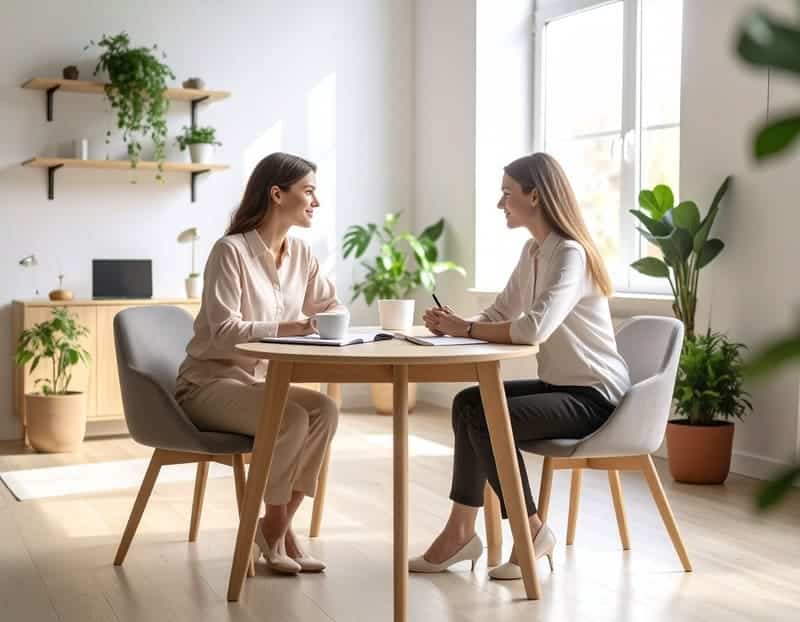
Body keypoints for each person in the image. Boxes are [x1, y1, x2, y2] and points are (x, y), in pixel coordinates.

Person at [409, 152, 631, 580]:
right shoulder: (534, 251)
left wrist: (467, 328)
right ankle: (460, 532)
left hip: (595, 397)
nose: (500, 204)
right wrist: (454, 325)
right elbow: (497, 315)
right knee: (467, 404)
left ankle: (530, 531)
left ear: (535, 195)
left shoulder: (570, 254)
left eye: (506, 194)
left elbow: (533, 330)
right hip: (561, 387)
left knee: (488, 417)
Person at [176, 152, 342, 575]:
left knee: (324, 410)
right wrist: (295, 326)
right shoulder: (229, 252)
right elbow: (224, 332)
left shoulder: (302, 254)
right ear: (276, 194)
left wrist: (328, 321)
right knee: (290, 419)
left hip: (256, 386)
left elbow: (328, 307)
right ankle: (274, 531)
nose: (315, 203)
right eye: (308, 192)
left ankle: (277, 526)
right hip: (207, 387)